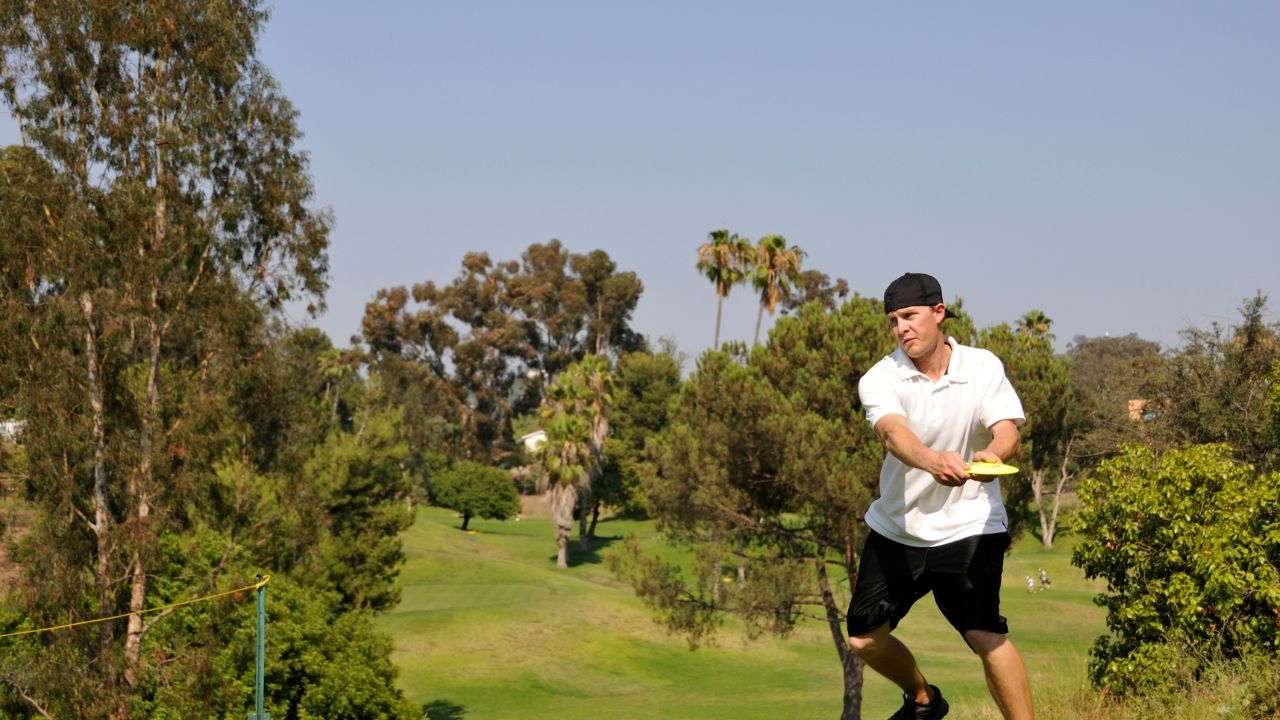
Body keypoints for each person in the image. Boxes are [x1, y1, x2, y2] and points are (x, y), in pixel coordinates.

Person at [846, 272, 1034, 720]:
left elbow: (1008, 429)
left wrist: (992, 453)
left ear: (938, 313)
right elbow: (893, 435)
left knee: (986, 634)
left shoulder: (982, 365)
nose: (901, 328)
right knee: (864, 638)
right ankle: (924, 700)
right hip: (900, 526)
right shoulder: (880, 378)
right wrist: (933, 461)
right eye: (893, 320)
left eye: (909, 316)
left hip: (971, 523)